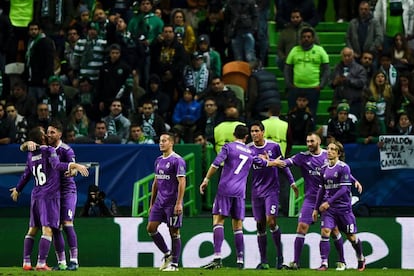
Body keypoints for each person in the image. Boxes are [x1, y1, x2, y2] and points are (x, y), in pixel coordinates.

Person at [199, 124, 285, 269]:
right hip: (240, 192)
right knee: (237, 225)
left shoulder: (228, 147)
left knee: (218, 221)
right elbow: (263, 163)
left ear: (234, 135)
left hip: (225, 188)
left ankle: (217, 258)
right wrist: (274, 162)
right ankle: (240, 260)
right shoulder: (250, 152)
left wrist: (206, 179)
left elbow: (216, 163)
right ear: (246, 137)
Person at [10, 126, 88, 271]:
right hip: (50, 194)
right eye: (47, 132)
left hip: (65, 191)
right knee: (53, 227)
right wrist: (27, 143)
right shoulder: (46, 150)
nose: (49, 134)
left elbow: (28, 171)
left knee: (64, 223)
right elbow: (57, 165)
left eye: (52, 132)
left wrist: (74, 170)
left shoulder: (65, 149)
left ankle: (73, 261)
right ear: (42, 137)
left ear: (60, 133)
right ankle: (60, 263)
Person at [281, 132, 362, 270]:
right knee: (302, 227)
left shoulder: (328, 154)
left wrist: (354, 181)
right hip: (312, 198)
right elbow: (286, 163)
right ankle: (296, 262)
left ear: (318, 142)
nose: (309, 144)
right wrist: (269, 162)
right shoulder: (303, 156)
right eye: (307, 141)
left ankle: (342, 260)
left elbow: (342, 171)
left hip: (328, 199)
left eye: (311, 141)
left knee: (335, 231)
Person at [248, 121, 298, 270]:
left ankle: (280, 257)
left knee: (271, 221)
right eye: (252, 131)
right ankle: (263, 261)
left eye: (257, 131)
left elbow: (282, 165)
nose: (254, 134)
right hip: (256, 192)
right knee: (260, 225)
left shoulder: (274, 146)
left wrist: (292, 182)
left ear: (263, 132)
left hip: (271, 190)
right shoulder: (248, 149)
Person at [312, 140, 365, 271]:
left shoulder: (343, 167)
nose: (329, 151)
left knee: (351, 237)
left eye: (332, 149)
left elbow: (343, 190)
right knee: (325, 232)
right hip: (329, 209)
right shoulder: (323, 169)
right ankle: (324, 263)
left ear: (338, 153)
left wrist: (327, 202)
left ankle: (361, 257)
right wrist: (315, 208)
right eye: (328, 148)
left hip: (343, 208)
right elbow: (321, 189)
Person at [147, 132, 186, 272]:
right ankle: (167, 254)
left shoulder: (177, 160)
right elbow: (156, 182)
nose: (161, 143)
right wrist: (151, 204)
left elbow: (182, 182)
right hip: (159, 202)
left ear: (171, 143)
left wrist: (179, 202)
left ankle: (174, 265)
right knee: (151, 228)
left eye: (164, 141)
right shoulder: (158, 160)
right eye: (160, 141)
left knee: (174, 232)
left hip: (172, 202)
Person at [284, 27, 330, 120]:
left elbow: (327, 69)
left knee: (311, 114)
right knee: (293, 114)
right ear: (300, 38)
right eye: (304, 37)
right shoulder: (294, 50)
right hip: (296, 88)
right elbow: (287, 68)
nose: (306, 39)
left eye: (309, 37)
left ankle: (310, 133)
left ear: (313, 38)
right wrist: (289, 84)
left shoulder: (320, 50)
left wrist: (321, 85)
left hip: (313, 88)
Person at [331, 47, 367, 118]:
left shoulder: (360, 68)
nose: (346, 58)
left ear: (352, 56)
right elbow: (330, 83)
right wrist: (335, 82)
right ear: (341, 56)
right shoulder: (337, 68)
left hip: (354, 103)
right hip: (338, 101)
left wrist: (348, 80)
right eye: (344, 56)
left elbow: (362, 82)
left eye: (349, 55)